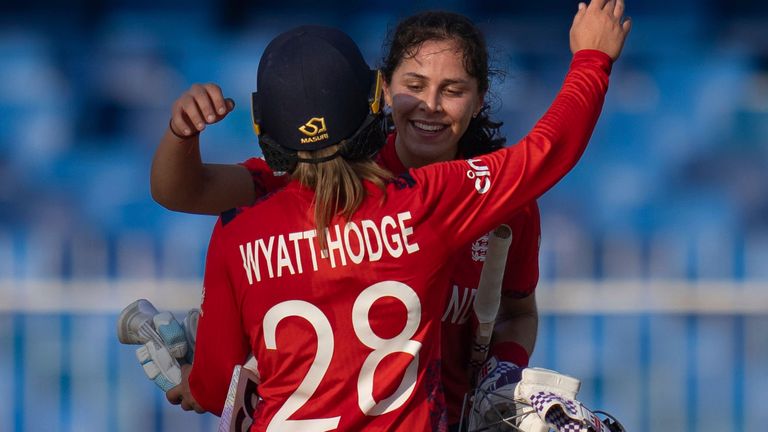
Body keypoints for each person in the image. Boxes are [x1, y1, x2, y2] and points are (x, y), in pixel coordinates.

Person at [162, 1, 629, 430]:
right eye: (414, 85)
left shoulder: (241, 225)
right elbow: (548, 153)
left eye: (452, 89)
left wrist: (502, 372)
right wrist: (591, 60)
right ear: (381, 91)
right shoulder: (427, 201)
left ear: (480, 98)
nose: (429, 105)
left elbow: (517, 312)